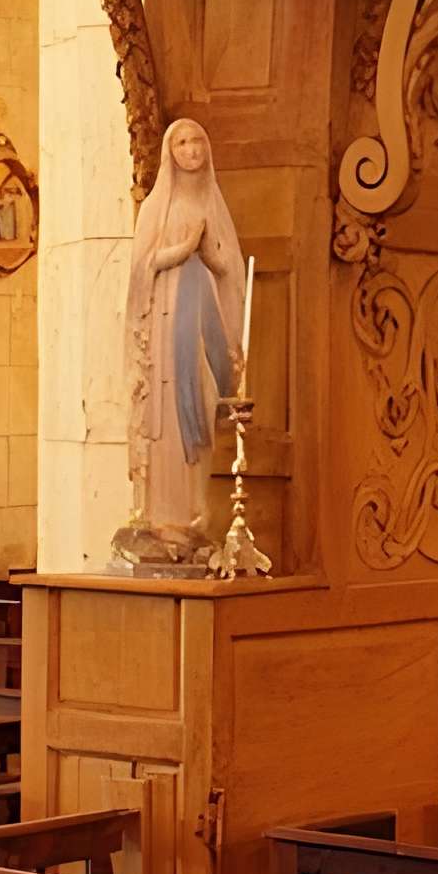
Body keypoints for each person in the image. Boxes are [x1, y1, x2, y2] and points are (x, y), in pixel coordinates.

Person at [120, 117, 248, 553]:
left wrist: (207, 252)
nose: (191, 150)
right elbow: (142, 265)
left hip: (201, 316)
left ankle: (195, 512)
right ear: (170, 153)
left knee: (202, 398)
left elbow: (229, 267)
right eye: (182, 143)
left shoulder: (213, 202)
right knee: (166, 415)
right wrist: (179, 250)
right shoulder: (159, 204)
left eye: (197, 141)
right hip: (166, 318)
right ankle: (163, 518)